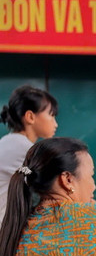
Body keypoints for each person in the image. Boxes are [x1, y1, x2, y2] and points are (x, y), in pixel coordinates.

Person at [0, 85, 59, 222]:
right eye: (51, 115)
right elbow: (58, 188)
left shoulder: (9, 141)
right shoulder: (22, 148)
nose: (55, 123)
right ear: (30, 117)